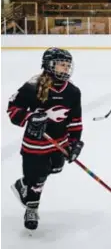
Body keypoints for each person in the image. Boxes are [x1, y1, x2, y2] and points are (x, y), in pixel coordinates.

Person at [7, 48, 84, 231]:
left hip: (59, 142)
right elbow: (13, 110)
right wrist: (31, 117)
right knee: (38, 178)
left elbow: (75, 122)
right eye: (60, 64)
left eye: (67, 66)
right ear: (49, 65)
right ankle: (31, 208)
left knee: (55, 168)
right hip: (34, 145)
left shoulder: (73, 91)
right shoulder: (32, 86)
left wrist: (74, 143)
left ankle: (24, 184)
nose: (65, 69)